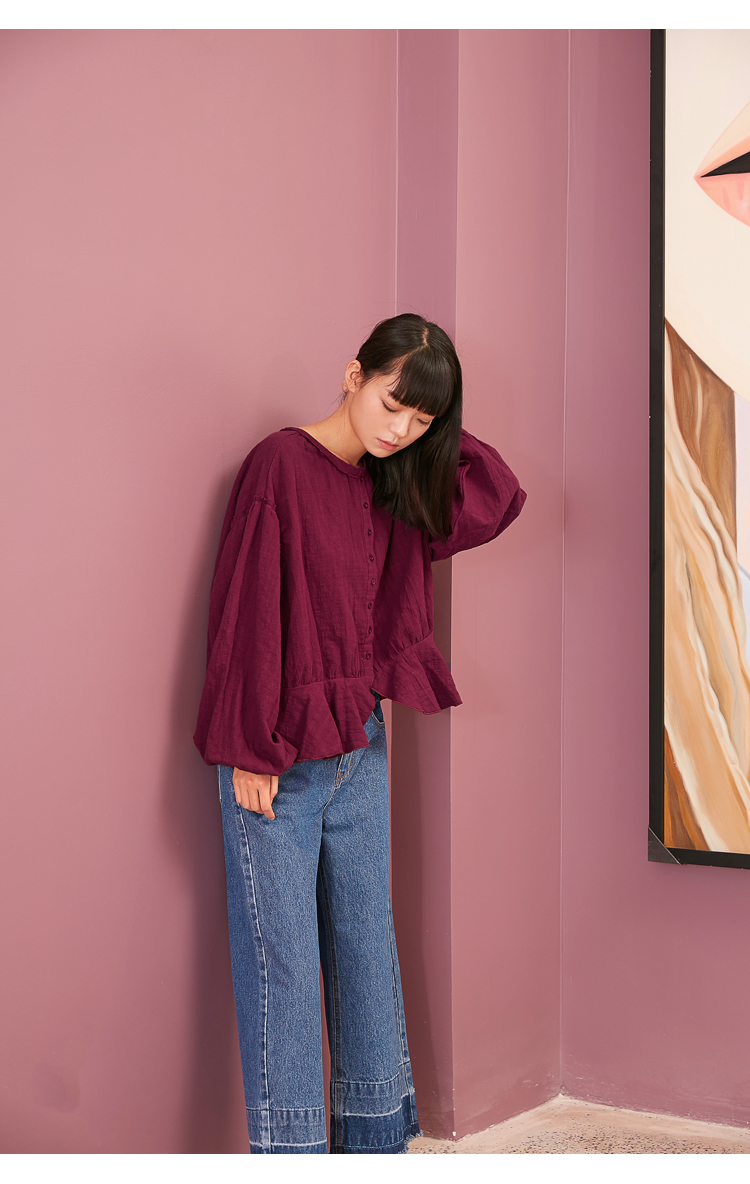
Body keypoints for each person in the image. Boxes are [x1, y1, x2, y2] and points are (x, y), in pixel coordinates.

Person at [193, 313, 527, 1153]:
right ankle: (294, 1157)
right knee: (284, 970)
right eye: (391, 403)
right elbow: (245, 608)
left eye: (421, 419)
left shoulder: (396, 483)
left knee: (365, 948)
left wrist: (431, 428)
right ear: (353, 376)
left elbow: (493, 494)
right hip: (276, 753)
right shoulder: (280, 463)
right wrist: (247, 748)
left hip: (360, 746)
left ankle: (376, 1147)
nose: (400, 428)